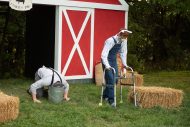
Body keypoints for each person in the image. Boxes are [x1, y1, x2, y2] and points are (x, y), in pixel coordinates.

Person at [101, 28, 132, 107]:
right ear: (120, 34)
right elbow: (104, 54)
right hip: (106, 60)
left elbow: (123, 53)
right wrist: (107, 66)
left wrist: (125, 64)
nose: (125, 38)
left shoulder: (123, 41)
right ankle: (111, 101)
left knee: (115, 80)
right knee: (110, 79)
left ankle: (105, 95)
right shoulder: (110, 40)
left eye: (126, 36)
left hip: (113, 60)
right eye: (124, 36)